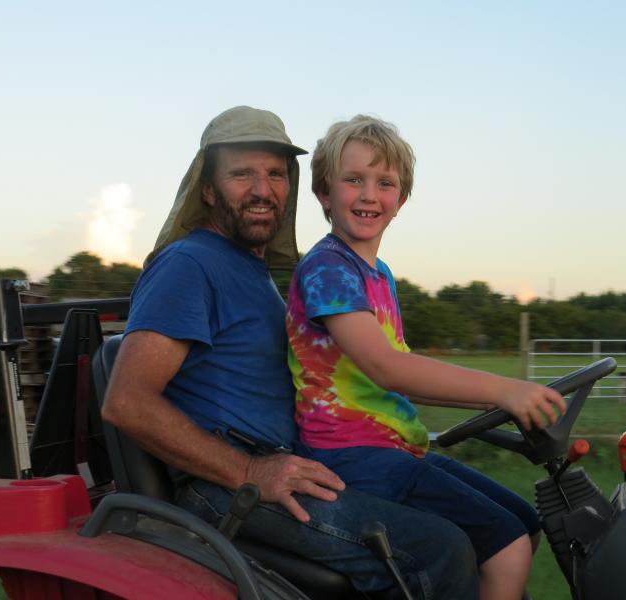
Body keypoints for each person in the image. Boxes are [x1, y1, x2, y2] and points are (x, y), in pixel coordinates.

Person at [102, 105, 479, 599]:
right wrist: (248, 471)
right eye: (242, 174)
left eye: (276, 174)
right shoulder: (189, 264)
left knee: (477, 518)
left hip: (287, 467)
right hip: (228, 487)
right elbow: (127, 402)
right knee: (438, 548)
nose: (262, 190)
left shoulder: (256, 274)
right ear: (209, 189)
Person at [286, 115, 568, 600]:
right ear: (323, 194)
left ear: (401, 200)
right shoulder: (327, 269)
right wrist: (503, 388)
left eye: (385, 183)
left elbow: (400, 373)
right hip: (352, 455)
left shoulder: (378, 274)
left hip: (396, 448)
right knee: (508, 547)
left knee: (526, 522)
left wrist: (492, 405)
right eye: (354, 180)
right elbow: (385, 367)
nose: (370, 195)